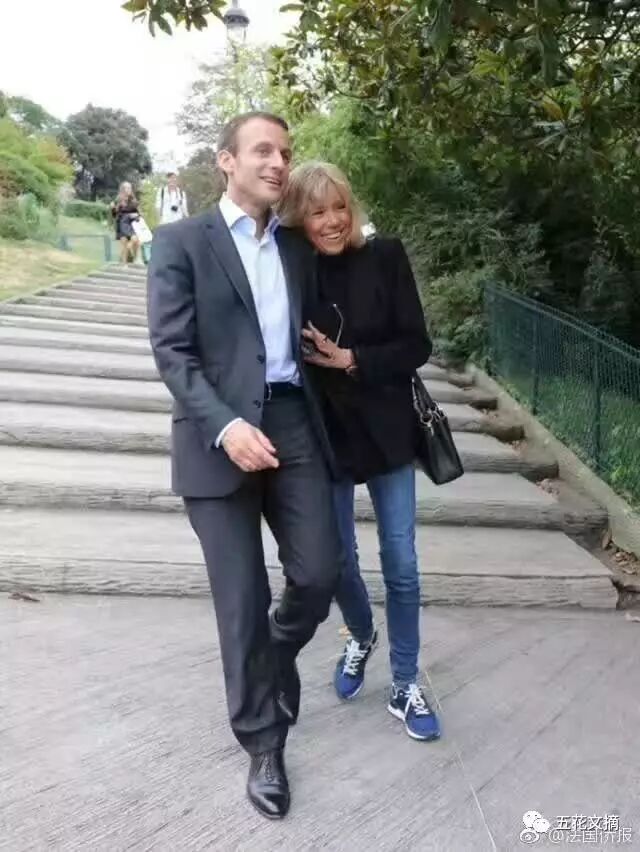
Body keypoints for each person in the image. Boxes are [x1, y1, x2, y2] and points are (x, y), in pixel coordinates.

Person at [147, 114, 344, 820]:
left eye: (285, 152)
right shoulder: (180, 242)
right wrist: (226, 426)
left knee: (319, 574)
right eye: (263, 150)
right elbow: (172, 351)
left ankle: (275, 654)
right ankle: (263, 742)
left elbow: (348, 261)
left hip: (292, 423)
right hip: (215, 434)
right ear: (226, 160)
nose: (278, 163)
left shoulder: (294, 246)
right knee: (240, 598)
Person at [278, 161, 441, 742]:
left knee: (402, 562)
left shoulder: (385, 256)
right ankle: (361, 633)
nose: (331, 221)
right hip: (326, 435)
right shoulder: (291, 268)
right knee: (337, 560)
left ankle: (404, 682)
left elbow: (417, 344)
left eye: (339, 207)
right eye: (317, 211)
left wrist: (351, 359)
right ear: (298, 218)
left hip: (388, 430)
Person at [111, 182, 141, 264]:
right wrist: (113, 208)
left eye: (129, 188)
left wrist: (136, 215)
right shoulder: (118, 201)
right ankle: (124, 264)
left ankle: (134, 257)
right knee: (124, 242)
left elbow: (139, 215)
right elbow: (114, 215)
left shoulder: (134, 201)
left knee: (135, 239)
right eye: (126, 188)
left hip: (132, 224)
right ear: (122, 189)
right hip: (122, 224)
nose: (128, 190)